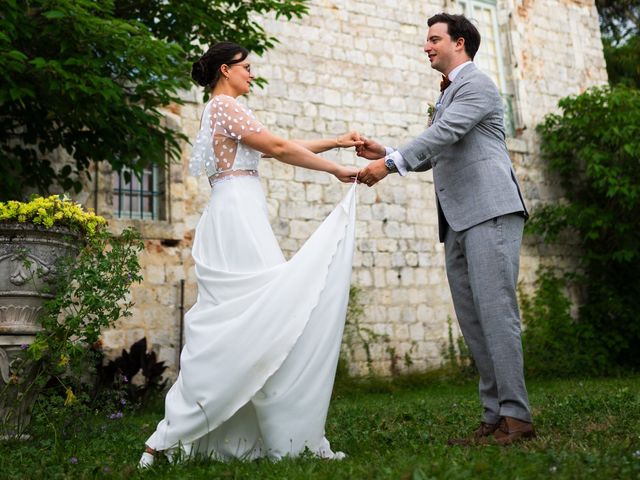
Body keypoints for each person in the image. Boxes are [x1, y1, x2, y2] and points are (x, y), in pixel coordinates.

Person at [139, 41, 360, 467]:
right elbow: (277, 147)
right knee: (262, 316)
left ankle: (254, 431)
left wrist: (335, 142)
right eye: (247, 68)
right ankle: (167, 437)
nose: (252, 74)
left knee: (260, 317)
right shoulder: (223, 107)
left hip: (241, 209)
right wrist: (338, 170)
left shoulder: (226, 110)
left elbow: (279, 144)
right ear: (226, 69)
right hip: (237, 214)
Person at [357, 13, 535, 445]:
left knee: (496, 314)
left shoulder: (476, 84)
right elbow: (440, 148)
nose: (427, 47)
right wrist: (390, 150)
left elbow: (446, 132)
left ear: (460, 43)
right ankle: (494, 416)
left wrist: (388, 165)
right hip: (457, 220)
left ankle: (518, 418)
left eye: (434, 39)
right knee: (473, 321)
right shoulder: (451, 93)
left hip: (489, 210)